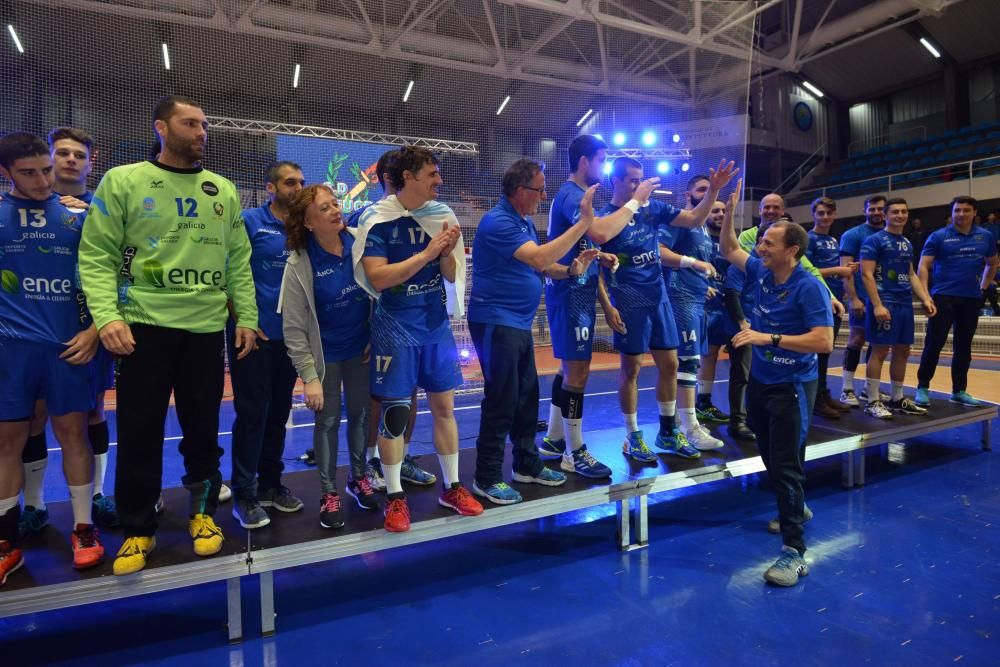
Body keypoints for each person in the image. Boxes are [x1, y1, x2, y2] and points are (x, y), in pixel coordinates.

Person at [79, 95, 259, 575]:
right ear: (161, 127)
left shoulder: (222, 189)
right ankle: (138, 528)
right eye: (190, 123)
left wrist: (245, 316)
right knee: (138, 430)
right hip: (143, 328)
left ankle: (202, 514)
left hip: (203, 329)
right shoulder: (124, 181)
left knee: (203, 430)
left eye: (204, 124)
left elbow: (237, 261)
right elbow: (96, 255)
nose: (201, 131)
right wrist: (107, 317)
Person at [355, 146, 483, 532]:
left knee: (446, 408)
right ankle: (395, 497)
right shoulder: (376, 219)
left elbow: (449, 273)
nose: (439, 181)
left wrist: (445, 252)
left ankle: (453, 487)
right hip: (395, 327)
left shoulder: (440, 215)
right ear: (408, 176)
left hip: (435, 326)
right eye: (431, 173)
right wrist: (428, 251)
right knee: (395, 414)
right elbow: (378, 278)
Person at [0, 132, 105, 584]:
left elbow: (110, 277)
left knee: (74, 432)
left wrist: (95, 329)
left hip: (69, 348)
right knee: (7, 441)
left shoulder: (78, 217)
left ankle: (84, 529)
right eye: (29, 172)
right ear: (5, 173)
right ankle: (7, 542)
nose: (43, 179)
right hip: (12, 351)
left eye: (46, 169)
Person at [719, 180, 834, 587]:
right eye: (762, 241)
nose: (760, 247)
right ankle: (796, 507)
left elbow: (824, 341)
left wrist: (768, 338)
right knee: (769, 457)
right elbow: (729, 249)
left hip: (791, 386)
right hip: (763, 384)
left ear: (792, 251)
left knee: (786, 466)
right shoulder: (763, 273)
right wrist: (729, 208)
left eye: (768, 242)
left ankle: (794, 552)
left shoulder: (809, 288)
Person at [467, 159, 600, 504]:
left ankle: (526, 464)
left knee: (526, 397)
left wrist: (571, 269)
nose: (543, 195)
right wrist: (584, 223)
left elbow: (542, 266)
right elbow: (540, 259)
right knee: (502, 399)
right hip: (497, 322)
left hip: (516, 323)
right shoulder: (498, 221)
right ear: (519, 190)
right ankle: (487, 476)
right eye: (539, 189)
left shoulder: (522, 222)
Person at [18, 127, 120, 537]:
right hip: (31, 332)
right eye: (63, 153)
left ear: (90, 164)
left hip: (85, 331)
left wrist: (97, 329)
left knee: (92, 411)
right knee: (33, 416)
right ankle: (34, 504)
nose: (71, 160)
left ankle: (97, 496)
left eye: (80, 155)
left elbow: (118, 272)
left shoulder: (101, 210)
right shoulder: (20, 208)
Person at [537, 135, 656, 476]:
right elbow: (601, 232)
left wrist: (604, 297)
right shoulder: (573, 194)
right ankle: (575, 453)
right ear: (585, 161)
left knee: (567, 370)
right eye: (602, 159)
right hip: (570, 294)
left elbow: (589, 247)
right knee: (578, 374)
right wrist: (634, 202)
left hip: (579, 292)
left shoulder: (575, 195)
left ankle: (555, 438)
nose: (604, 166)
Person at [281, 184, 375, 528]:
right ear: (307, 222)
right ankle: (327, 492)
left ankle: (358, 477)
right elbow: (293, 328)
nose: (336, 210)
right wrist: (309, 377)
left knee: (361, 416)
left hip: (360, 349)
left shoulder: (359, 242)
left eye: (336, 204)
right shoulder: (299, 263)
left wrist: (374, 334)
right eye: (324, 208)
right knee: (328, 421)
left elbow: (379, 290)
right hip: (326, 357)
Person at [346, 150, 435, 491]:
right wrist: (365, 327)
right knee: (376, 395)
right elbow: (357, 277)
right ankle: (371, 462)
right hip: (375, 322)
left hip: (412, 322)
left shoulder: (425, 215)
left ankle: (401, 458)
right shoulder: (365, 218)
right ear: (390, 178)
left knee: (408, 392)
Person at [227, 161, 306, 530]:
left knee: (279, 414)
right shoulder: (249, 222)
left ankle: (271, 485)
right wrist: (243, 318)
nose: (297, 188)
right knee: (253, 413)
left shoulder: (302, 228)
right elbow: (230, 272)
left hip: (290, 338)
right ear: (270, 187)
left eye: (301, 182)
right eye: (290, 182)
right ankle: (244, 491)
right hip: (253, 337)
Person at [655, 166, 738, 453]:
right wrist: (695, 264)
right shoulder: (680, 221)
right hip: (679, 299)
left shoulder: (703, 228)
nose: (706, 194)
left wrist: (704, 282)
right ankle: (690, 428)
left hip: (697, 299)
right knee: (687, 362)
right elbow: (660, 253)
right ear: (687, 193)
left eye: (710, 189)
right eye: (701, 190)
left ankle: (684, 421)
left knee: (692, 362)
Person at [915, 196, 999, 407]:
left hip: (971, 298)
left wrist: (983, 286)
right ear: (952, 213)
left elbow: (992, 263)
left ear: (974, 213)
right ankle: (923, 387)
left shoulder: (985, 237)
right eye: (957, 210)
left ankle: (959, 390)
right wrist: (925, 296)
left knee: (964, 346)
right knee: (934, 343)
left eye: (966, 210)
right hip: (943, 298)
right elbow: (923, 266)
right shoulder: (938, 236)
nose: (961, 214)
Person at [858, 197, 935, 419]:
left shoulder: (907, 242)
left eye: (904, 211)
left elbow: (911, 274)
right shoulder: (874, 241)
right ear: (886, 215)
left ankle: (897, 398)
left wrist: (925, 298)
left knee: (903, 350)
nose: (900, 215)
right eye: (895, 212)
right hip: (885, 302)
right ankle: (872, 400)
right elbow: (866, 274)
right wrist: (877, 304)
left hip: (904, 303)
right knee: (880, 350)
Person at [805, 197, 855, 418]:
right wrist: (837, 270)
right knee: (818, 352)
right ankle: (814, 400)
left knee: (826, 353)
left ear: (834, 215)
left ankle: (823, 394)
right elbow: (807, 271)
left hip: (834, 301)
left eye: (828, 213)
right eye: (820, 213)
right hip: (817, 301)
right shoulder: (809, 239)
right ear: (814, 214)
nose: (825, 217)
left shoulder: (834, 240)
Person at [837, 195, 887, 406]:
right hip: (862, 297)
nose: (876, 212)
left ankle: (869, 388)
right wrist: (853, 297)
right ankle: (847, 389)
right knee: (857, 339)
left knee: (878, 344)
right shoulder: (853, 235)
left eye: (880, 209)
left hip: (883, 297)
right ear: (865, 210)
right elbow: (845, 269)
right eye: (872, 209)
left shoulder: (890, 235)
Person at [696, 194, 732, 425]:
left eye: (723, 211)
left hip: (726, 305)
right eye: (715, 211)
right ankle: (696, 404)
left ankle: (704, 402)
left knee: (714, 354)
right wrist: (702, 286)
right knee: (700, 356)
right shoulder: (700, 238)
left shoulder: (730, 241)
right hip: (703, 305)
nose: (719, 214)